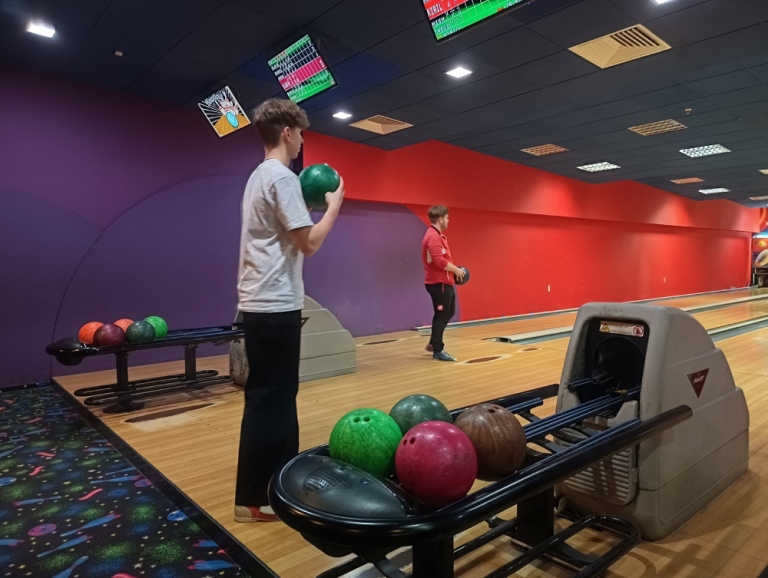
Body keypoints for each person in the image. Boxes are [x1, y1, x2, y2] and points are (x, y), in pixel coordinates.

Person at [234, 98, 344, 522]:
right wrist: (334, 206)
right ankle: (255, 499)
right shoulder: (281, 178)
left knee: (274, 399)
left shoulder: (259, 176)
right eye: (300, 133)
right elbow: (309, 243)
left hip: (263, 302)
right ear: (286, 132)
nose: (301, 141)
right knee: (272, 402)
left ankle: (274, 488)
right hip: (274, 304)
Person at [421, 205, 464, 362]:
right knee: (442, 315)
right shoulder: (433, 236)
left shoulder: (437, 236)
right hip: (439, 284)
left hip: (445, 282)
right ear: (440, 219)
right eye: (446, 218)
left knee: (448, 313)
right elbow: (439, 261)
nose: (448, 220)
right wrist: (456, 270)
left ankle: (434, 343)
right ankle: (438, 350)